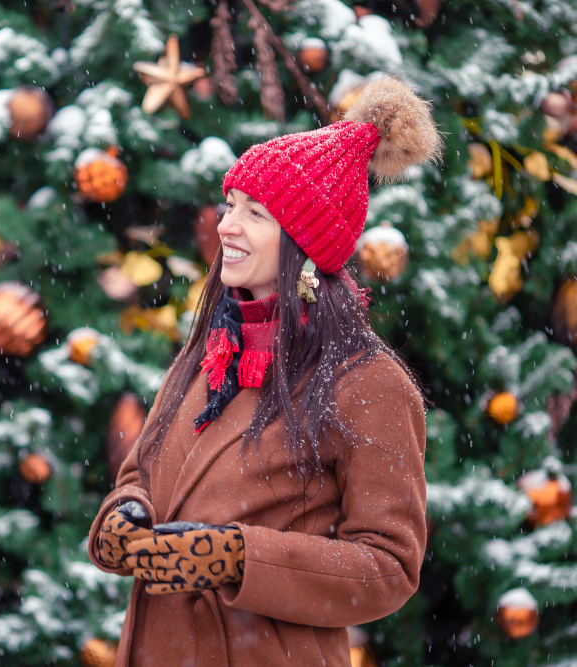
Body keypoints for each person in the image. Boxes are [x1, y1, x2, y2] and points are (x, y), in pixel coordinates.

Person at [88, 76, 441, 667]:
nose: (226, 226)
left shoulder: (368, 382)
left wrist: (237, 557)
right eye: (231, 205)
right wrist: (125, 516)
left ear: (304, 245)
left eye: (255, 213)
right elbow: (139, 477)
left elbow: (388, 567)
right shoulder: (209, 349)